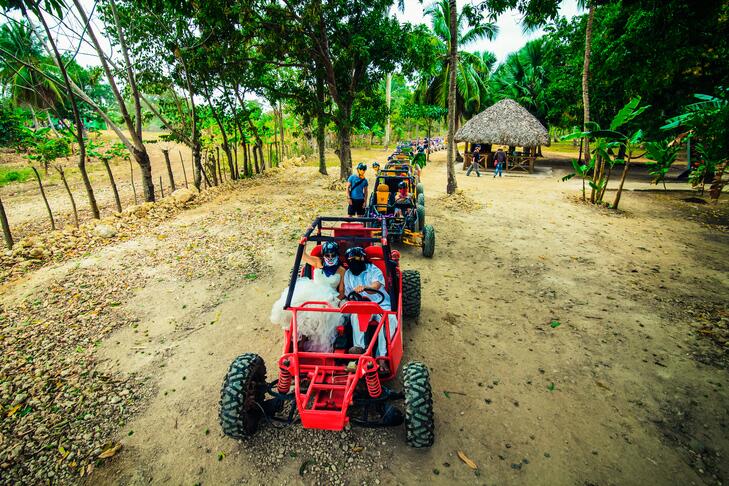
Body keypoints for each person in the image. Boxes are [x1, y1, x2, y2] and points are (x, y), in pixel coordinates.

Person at [270, 241, 345, 352]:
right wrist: (302, 243)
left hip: (331, 296)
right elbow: (302, 256)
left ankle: (310, 343)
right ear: (323, 255)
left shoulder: (341, 270)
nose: (330, 257)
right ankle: (298, 342)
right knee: (300, 310)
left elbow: (342, 290)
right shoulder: (317, 262)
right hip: (312, 291)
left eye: (333, 255)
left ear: (337, 255)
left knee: (325, 315)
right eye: (327, 255)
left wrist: (336, 299)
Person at [342, 247, 397, 373]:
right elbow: (348, 293)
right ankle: (359, 351)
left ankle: (381, 357)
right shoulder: (348, 274)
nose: (353, 262)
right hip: (361, 305)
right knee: (355, 315)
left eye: (356, 259)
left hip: (381, 303)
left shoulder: (373, 269)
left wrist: (365, 288)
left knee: (390, 319)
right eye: (350, 260)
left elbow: (376, 285)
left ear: (362, 258)